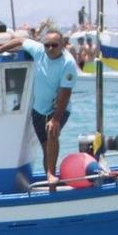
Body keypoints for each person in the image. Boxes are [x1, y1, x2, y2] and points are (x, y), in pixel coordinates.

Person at [33, 31, 79, 182]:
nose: (51, 48)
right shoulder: (39, 51)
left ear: (62, 45)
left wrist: (56, 119)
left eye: (55, 45)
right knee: (46, 147)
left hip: (59, 108)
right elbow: (20, 41)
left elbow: (66, 92)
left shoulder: (68, 63)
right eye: (47, 45)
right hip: (38, 109)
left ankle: (51, 174)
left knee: (52, 132)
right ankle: (50, 180)